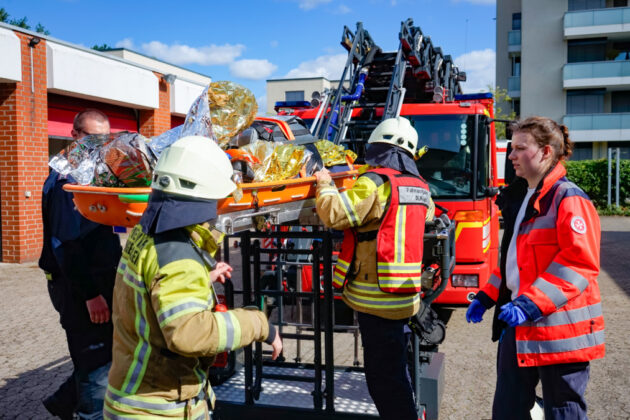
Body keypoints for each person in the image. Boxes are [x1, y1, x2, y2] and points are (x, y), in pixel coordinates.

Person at [104, 135, 282, 419]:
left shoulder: (147, 233)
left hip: (132, 398)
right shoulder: (178, 258)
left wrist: (202, 278)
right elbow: (190, 334)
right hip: (158, 409)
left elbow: (155, 288)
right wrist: (259, 323)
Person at [466, 116, 605, 420]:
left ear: (545, 152)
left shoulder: (569, 199)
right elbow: (515, 260)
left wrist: (530, 303)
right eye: (511, 148)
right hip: (522, 325)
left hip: (561, 331)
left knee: (563, 411)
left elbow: (579, 264)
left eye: (519, 148)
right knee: (508, 410)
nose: (511, 155)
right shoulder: (526, 196)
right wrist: (487, 296)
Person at [315, 117, 434, 420]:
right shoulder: (420, 186)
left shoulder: (375, 182)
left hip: (375, 300)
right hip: (405, 297)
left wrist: (325, 184)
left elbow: (335, 214)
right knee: (397, 371)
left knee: (384, 380)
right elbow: (427, 215)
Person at [39, 109, 122, 419]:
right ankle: (88, 413)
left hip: (97, 280)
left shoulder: (90, 171)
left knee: (106, 352)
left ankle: (62, 402)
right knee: (95, 363)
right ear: (74, 136)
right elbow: (67, 244)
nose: (99, 144)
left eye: (105, 138)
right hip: (79, 287)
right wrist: (91, 295)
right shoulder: (68, 180)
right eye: (91, 137)